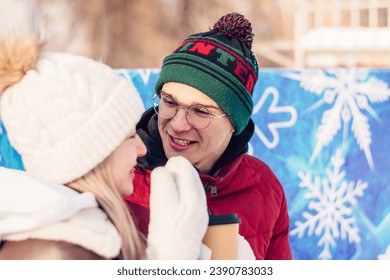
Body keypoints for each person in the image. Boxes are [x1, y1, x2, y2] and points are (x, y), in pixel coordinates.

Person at [0, 34, 209, 260]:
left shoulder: (84, 239)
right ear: (90, 154)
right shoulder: (58, 256)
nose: (142, 149)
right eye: (130, 137)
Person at [124, 12, 292, 260]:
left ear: (235, 123)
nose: (178, 124)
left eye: (200, 111)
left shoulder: (265, 188)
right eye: (169, 101)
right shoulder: (121, 174)